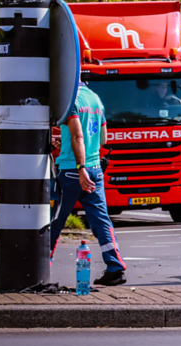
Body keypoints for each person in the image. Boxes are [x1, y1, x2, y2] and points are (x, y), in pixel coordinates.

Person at [50, 76, 127, 286]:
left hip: (72, 170)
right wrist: (64, 141)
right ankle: (115, 267)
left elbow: (77, 137)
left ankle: (41, 266)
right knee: (101, 220)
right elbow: (102, 138)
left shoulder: (70, 100)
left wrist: (80, 167)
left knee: (53, 221)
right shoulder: (95, 99)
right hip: (95, 169)